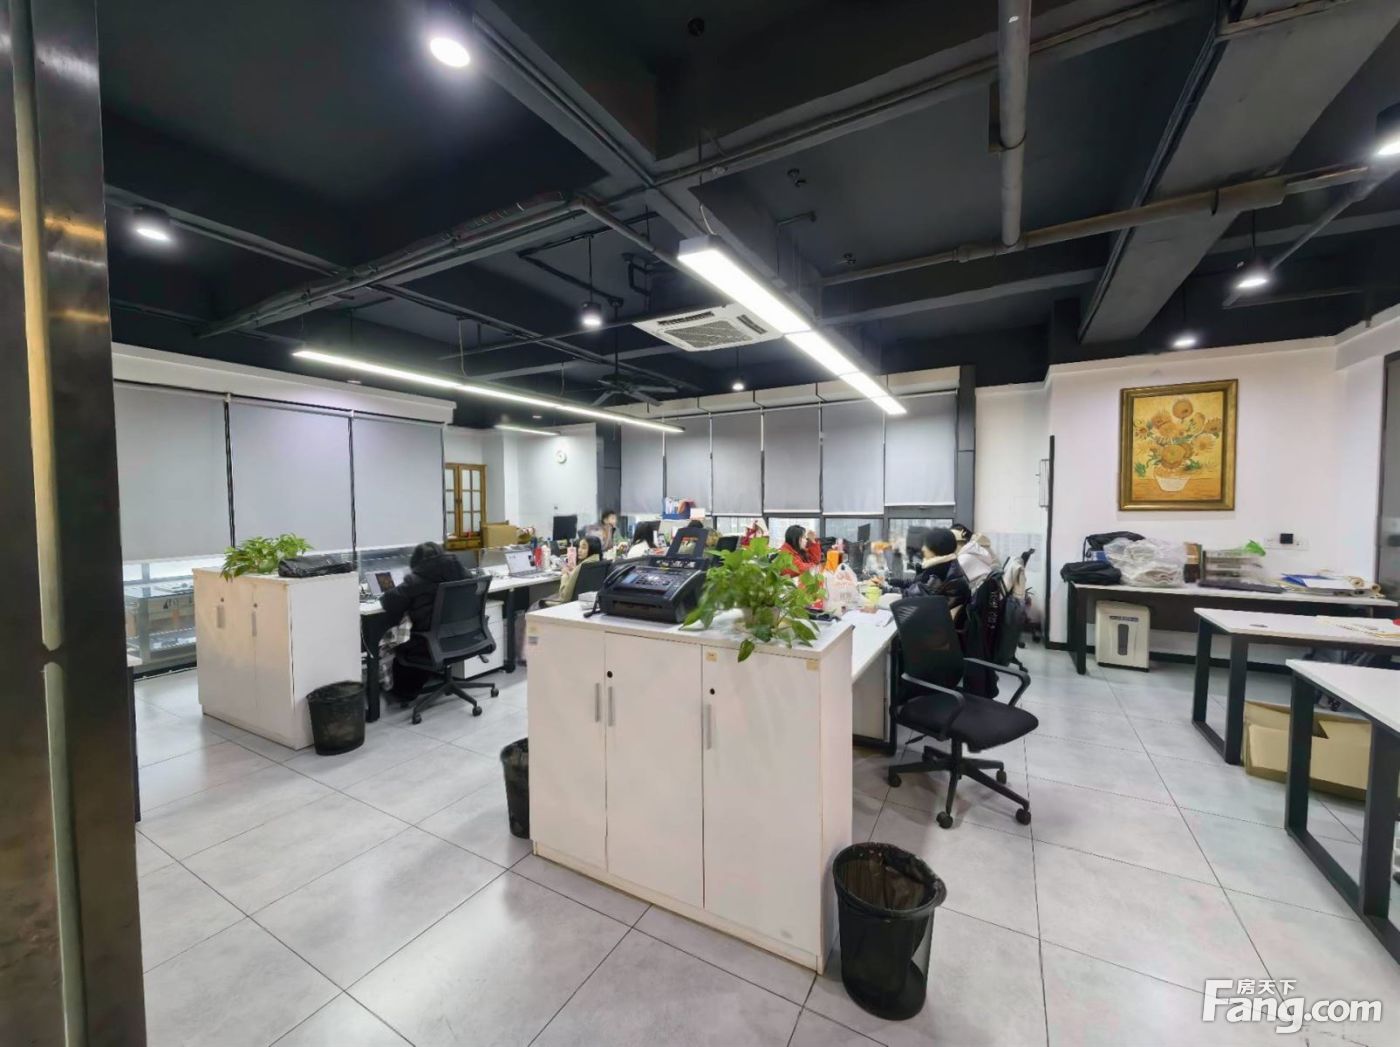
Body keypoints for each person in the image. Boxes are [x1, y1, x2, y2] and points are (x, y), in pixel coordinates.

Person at [379, 541, 467, 697]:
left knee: (395, 639)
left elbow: (389, 601)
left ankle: (402, 692)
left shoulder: (415, 580)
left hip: (427, 643)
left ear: (417, 561)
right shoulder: (460, 571)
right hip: (459, 636)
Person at [898, 528, 972, 620]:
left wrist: (890, 592)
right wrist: (895, 584)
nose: (923, 549)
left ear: (936, 548)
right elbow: (918, 585)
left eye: (925, 545)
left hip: (935, 622)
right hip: (940, 618)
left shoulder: (939, 572)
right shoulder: (948, 565)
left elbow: (914, 597)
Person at [557, 534, 603, 602]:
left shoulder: (582, 567)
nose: (579, 550)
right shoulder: (599, 563)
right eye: (579, 547)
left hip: (570, 603)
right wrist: (573, 572)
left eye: (583, 548)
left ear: (592, 549)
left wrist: (564, 575)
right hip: (588, 602)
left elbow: (564, 597)